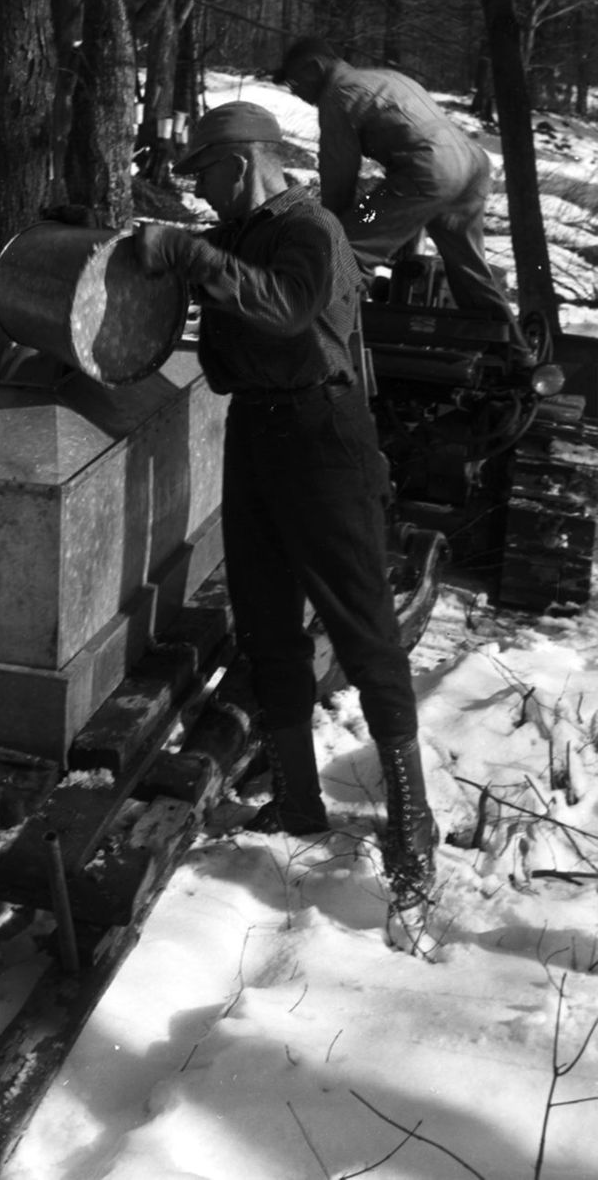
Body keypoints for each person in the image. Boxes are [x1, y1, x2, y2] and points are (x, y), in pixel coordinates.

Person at [133, 100, 437, 916]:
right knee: (264, 621)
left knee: (361, 627)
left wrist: (194, 253)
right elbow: (198, 280)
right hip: (257, 431)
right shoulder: (231, 235)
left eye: (207, 177)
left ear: (243, 163)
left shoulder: (313, 228)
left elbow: (289, 308)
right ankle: (298, 799)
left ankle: (414, 821)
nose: (204, 195)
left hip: (322, 434)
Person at [272, 36, 528, 353]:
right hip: (471, 168)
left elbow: (339, 175)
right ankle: (515, 357)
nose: (295, 92)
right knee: (471, 272)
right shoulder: (383, 78)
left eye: (295, 82)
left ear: (315, 67)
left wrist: (338, 228)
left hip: (427, 171)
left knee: (343, 248)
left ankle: (326, 349)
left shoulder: (337, 95)